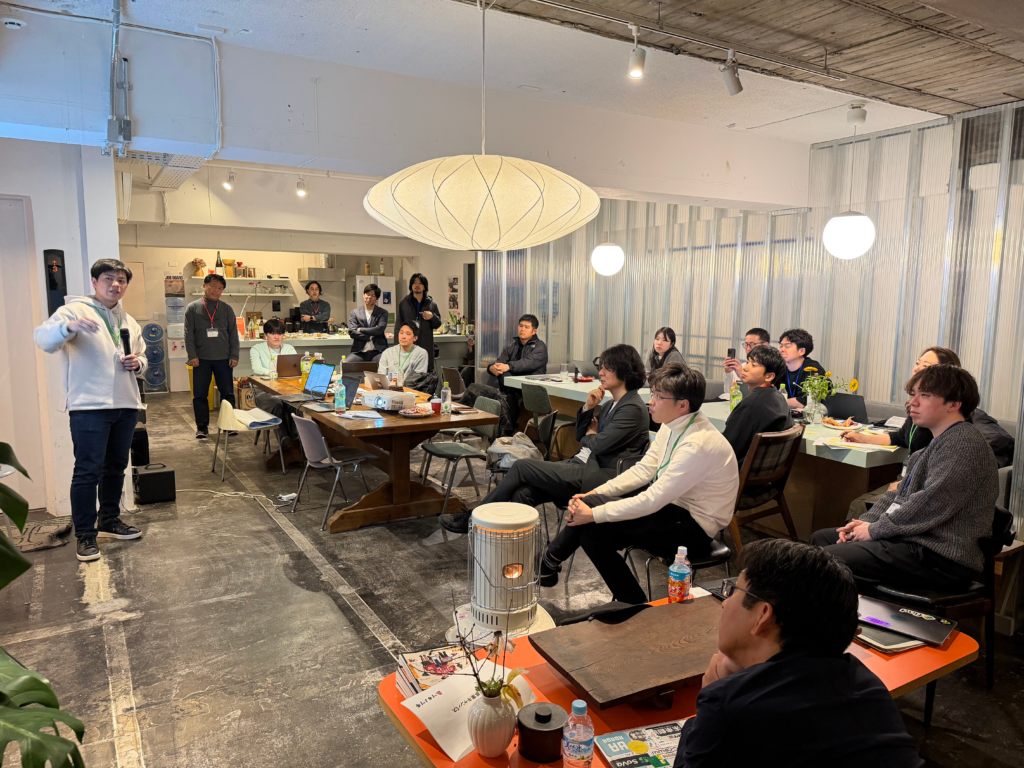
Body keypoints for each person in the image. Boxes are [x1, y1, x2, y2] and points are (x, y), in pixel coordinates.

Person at [673, 539, 922, 768]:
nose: (725, 603)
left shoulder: (728, 702)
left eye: (734, 591)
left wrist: (707, 702)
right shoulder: (869, 685)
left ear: (762, 615)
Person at [540, 364, 739, 604]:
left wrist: (593, 512)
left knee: (592, 519)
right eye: (653, 393)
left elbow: (653, 499)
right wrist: (596, 492)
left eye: (658, 396)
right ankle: (633, 602)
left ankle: (550, 562)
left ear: (682, 405)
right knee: (592, 531)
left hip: (695, 528)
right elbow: (644, 470)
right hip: (672, 510)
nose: (651, 401)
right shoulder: (673, 424)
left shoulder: (698, 444)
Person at [809, 365, 998, 591]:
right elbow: (897, 496)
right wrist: (865, 523)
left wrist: (874, 530)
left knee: (825, 560)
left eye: (924, 395)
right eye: (913, 394)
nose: (912, 402)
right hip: (913, 541)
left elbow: (930, 504)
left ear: (954, 404)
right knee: (821, 539)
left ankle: (842, 611)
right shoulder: (933, 445)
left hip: (940, 557)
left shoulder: (963, 444)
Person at [440, 345, 650, 534]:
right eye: (601, 367)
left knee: (522, 467)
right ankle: (513, 551)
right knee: (523, 493)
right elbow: (581, 437)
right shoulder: (611, 403)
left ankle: (472, 520)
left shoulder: (632, 408)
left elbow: (599, 445)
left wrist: (591, 436)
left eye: (607, 368)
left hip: (594, 475)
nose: (601, 373)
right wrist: (588, 407)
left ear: (623, 371)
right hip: (579, 464)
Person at [33, 259, 148, 562]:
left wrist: (138, 363)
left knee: (116, 468)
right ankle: (85, 534)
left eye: (121, 280)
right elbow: (43, 339)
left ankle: (109, 520)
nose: (115, 285)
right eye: (108, 278)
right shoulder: (74, 311)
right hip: (89, 407)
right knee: (87, 471)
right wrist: (68, 327)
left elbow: (143, 357)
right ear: (95, 282)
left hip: (126, 404)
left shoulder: (129, 320)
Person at [843, 346, 1014, 518]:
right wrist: (862, 437)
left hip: (921, 489)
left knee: (860, 509)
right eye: (917, 363)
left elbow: (996, 439)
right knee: (859, 511)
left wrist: (872, 527)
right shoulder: (920, 416)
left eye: (926, 367)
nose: (917, 369)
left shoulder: (961, 433)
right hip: (908, 482)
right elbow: (901, 437)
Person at [185, 274, 238, 439]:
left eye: (220, 288)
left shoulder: (227, 309)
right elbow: (188, 334)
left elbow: (233, 334)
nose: (216, 290)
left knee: (227, 394)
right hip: (201, 359)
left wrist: (234, 355)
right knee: (200, 395)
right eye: (213, 286)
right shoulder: (193, 308)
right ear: (204, 286)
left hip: (224, 359)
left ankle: (229, 425)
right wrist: (192, 355)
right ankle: (202, 427)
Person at [721, 345, 793, 464]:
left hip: (734, 471)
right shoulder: (779, 398)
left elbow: (727, 446)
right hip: (764, 471)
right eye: (747, 362)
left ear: (769, 376)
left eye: (753, 365)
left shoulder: (751, 404)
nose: (745, 368)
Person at [488, 314, 549, 434]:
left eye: (526, 327)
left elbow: (527, 363)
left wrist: (508, 366)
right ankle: (504, 429)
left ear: (534, 331)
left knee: (510, 394)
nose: (522, 329)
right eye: (521, 326)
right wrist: (491, 368)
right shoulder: (511, 347)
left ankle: (505, 430)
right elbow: (499, 362)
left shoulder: (540, 347)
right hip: (514, 388)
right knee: (504, 378)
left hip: (531, 387)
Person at [396, 273, 441, 371]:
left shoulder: (431, 304)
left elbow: (438, 324)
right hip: (408, 345)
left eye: (420, 283)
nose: (417, 285)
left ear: (424, 287)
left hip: (425, 345)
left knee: (425, 372)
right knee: (407, 371)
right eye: (414, 283)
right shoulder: (404, 303)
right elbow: (398, 326)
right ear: (411, 286)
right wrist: (398, 346)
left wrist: (432, 317)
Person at [776, 328, 826, 407]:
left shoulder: (813, 370)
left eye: (787, 346)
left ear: (801, 351)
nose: (781, 350)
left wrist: (774, 403)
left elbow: (803, 401)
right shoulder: (780, 368)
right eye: (781, 346)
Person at [348, 282, 389, 363]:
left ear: (377, 299)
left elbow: (379, 330)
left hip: (377, 351)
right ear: (363, 296)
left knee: (384, 363)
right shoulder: (355, 313)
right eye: (367, 294)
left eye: (373, 295)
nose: (369, 297)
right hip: (359, 352)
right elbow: (352, 332)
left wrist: (360, 329)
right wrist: (370, 336)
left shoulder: (382, 313)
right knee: (347, 363)